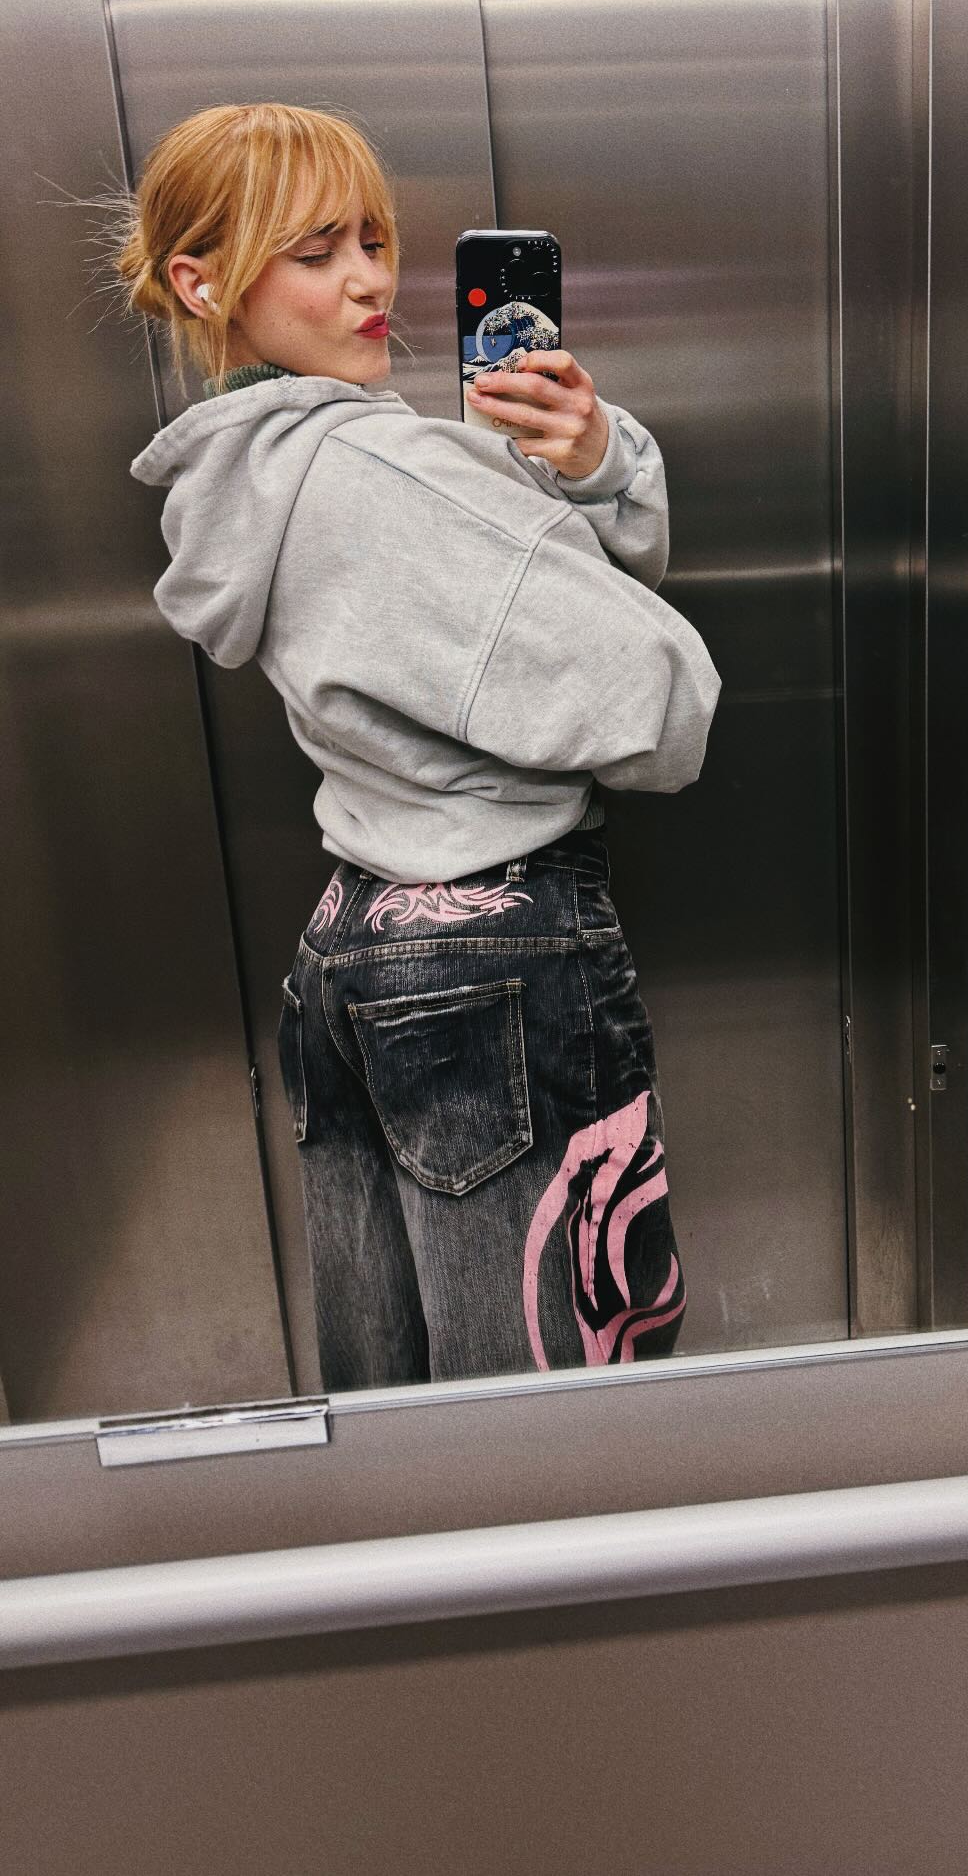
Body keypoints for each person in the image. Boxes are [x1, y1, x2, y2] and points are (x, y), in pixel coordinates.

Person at [118, 101, 721, 1391]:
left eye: (375, 239)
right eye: (315, 251)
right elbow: (661, 696)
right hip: (502, 950)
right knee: (548, 1400)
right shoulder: (385, 469)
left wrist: (589, 466)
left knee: (401, 1399)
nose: (370, 281)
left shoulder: (250, 476)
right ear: (203, 281)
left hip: (356, 939)